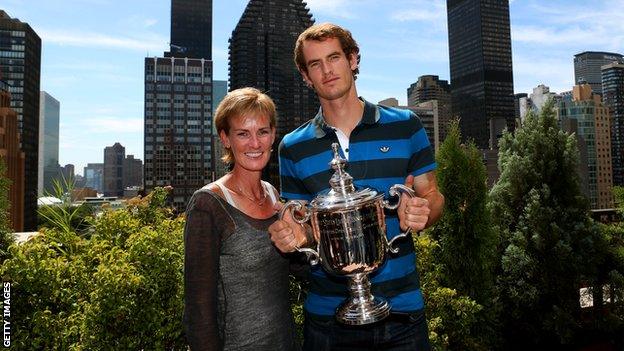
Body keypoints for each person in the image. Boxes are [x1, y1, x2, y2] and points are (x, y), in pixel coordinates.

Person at [268, 23, 445, 350]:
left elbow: (433, 195)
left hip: (402, 312)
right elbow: (300, 220)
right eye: (315, 64)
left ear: (353, 60)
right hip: (327, 319)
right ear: (306, 77)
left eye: (334, 57)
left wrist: (422, 211)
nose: (327, 70)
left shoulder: (406, 126)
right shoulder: (292, 147)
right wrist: (294, 235)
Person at [183, 87, 298, 351]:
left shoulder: (274, 195)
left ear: (273, 136)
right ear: (225, 138)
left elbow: (295, 269)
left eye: (262, 132)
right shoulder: (208, 204)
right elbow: (198, 310)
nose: (255, 144)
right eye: (243, 134)